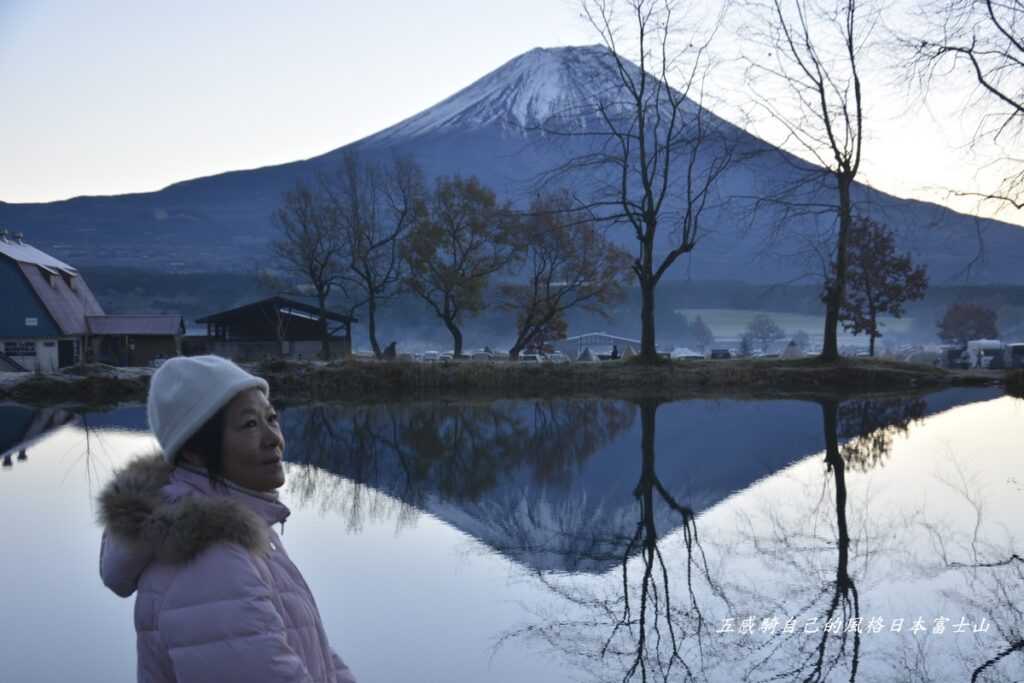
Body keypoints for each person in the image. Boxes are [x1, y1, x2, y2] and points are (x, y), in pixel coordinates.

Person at [97, 355, 357, 682]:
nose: (273, 437)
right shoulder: (210, 558)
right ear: (193, 450)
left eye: (271, 418)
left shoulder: (239, 528)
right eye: (249, 424)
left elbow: (313, 651)